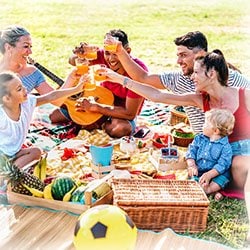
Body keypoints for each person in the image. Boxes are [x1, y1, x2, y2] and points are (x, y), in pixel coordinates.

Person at [102, 50, 250, 243]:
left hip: (242, 156)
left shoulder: (244, 95)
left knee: (243, 164)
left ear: (211, 74)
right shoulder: (199, 100)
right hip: (224, 159)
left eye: (196, 72)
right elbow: (156, 96)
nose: (192, 76)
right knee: (238, 165)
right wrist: (120, 79)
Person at [111, 30, 250, 133]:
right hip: (203, 147)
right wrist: (120, 53)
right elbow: (145, 80)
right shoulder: (182, 82)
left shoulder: (233, 80)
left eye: (183, 55)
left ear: (201, 55)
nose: (178, 61)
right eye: (178, 56)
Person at [49, 29, 148, 138]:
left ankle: (95, 124)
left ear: (127, 51)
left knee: (120, 129)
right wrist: (80, 54)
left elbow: (129, 113)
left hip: (120, 112)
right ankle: (92, 122)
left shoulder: (137, 71)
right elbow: (72, 61)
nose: (111, 59)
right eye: (107, 53)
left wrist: (95, 107)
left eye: (116, 54)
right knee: (54, 116)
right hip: (100, 99)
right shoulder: (102, 54)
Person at [0, 70, 84, 169]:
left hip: (14, 153)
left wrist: (76, 89)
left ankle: (10, 173)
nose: (25, 89)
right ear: (6, 99)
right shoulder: (2, 115)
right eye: (19, 89)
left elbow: (51, 96)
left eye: (22, 85)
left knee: (36, 152)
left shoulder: (28, 102)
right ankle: (7, 175)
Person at [0, 25, 76, 106]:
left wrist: (71, 78)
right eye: (25, 46)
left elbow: (56, 101)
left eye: (30, 47)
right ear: (8, 47)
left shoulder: (32, 73)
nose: (30, 52)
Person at [186, 108, 235, 198]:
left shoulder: (225, 147)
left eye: (206, 124)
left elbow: (223, 164)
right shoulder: (199, 139)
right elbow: (191, 151)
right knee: (193, 177)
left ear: (215, 131)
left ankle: (209, 189)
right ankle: (210, 191)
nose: (203, 125)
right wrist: (192, 165)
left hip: (216, 173)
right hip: (199, 170)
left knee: (223, 178)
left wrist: (209, 174)